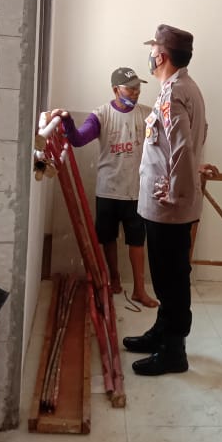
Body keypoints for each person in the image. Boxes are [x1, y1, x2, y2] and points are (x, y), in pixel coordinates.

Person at [122, 24, 208, 376]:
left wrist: (175, 192)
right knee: (169, 275)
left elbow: (182, 147)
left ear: (161, 56)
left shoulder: (175, 93)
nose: (150, 56)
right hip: (169, 201)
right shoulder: (185, 87)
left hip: (168, 205)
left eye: (153, 50)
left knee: (170, 278)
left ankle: (174, 350)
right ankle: (163, 332)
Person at [50, 67, 159, 308]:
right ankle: (114, 279)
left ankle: (139, 290)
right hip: (108, 189)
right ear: (115, 90)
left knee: (137, 241)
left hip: (136, 190)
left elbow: (164, 143)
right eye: (130, 88)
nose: (136, 92)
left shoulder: (147, 114)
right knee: (108, 239)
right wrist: (67, 121)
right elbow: (78, 139)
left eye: (137, 88)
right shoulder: (101, 115)